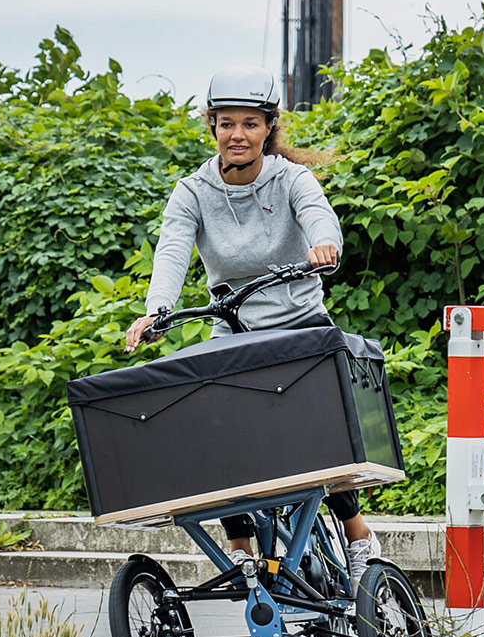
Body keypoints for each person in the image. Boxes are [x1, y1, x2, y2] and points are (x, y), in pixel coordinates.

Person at [124, 64, 380, 576]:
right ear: (212, 127)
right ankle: (240, 547)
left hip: (301, 319)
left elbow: (317, 214)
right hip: (233, 326)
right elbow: (172, 250)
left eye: (249, 124)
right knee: (215, 426)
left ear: (269, 128)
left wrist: (324, 244)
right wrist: (156, 310)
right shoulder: (193, 190)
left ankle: (358, 538)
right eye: (226, 124)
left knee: (321, 426)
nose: (237, 135)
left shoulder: (290, 178)